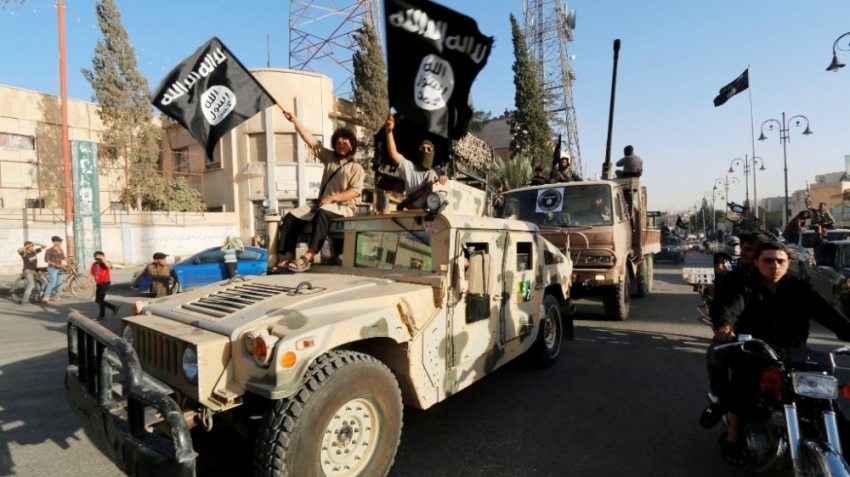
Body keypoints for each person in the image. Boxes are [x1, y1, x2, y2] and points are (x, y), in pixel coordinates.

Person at [709, 242, 850, 466]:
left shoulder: (799, 287)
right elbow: (730, 309)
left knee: (824, 389)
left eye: (780, 261)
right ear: (756, 262)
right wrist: (726, 328)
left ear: (788, 263)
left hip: (794, 352)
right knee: (744, 378)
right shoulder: (745, 286)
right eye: (768, 260)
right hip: (756, 350)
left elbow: (827, 313)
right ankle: (733, 437)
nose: (775, 265)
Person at [277, 108, 364, 273]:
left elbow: (355, 192)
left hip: (343, 206)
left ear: (352, 145)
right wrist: (295, 120)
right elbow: (310, 140)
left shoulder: (356, 167)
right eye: (338, 143)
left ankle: (308, 256)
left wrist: (331, 199)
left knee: (322, 212)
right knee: (290, 217)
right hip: (322, 204)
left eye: (345, 143)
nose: (341, 145)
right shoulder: (329, 157)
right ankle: (287, 258)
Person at [384, 112, 448, 209]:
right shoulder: (410, 168)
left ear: (433, 152)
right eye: (422, 149)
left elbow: (447, 188)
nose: (425, 151)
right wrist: (389, 131)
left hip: (432, 219)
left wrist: (444, 179)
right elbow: (393, 153)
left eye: (429, 149)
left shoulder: (438, 173)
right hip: (411, 217)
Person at [82, 251, 119, 320]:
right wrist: (87, 283)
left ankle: (102, 316)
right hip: (99, 284)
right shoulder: (94, 265)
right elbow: (91, 274)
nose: (98, 259)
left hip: (105, 283)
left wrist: (103, 259)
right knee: (98, 300)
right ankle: (114, 307)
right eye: (97, 258)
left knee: (101, 299)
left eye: (100, 257)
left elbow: (108, 266)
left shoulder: (106, 263)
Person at [42, 235, 66, 304]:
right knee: (52, 283)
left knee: (59, 283)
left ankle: (57, 296)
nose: (61, 243)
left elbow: (63, 258)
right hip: (52, 268)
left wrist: (70, 259)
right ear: (55, 242)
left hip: (60, 268)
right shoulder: (49, 250)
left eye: (61, 241)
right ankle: (46, 297)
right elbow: (47, 260)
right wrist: (55, 264)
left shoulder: (60, 249)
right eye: (59, 241)